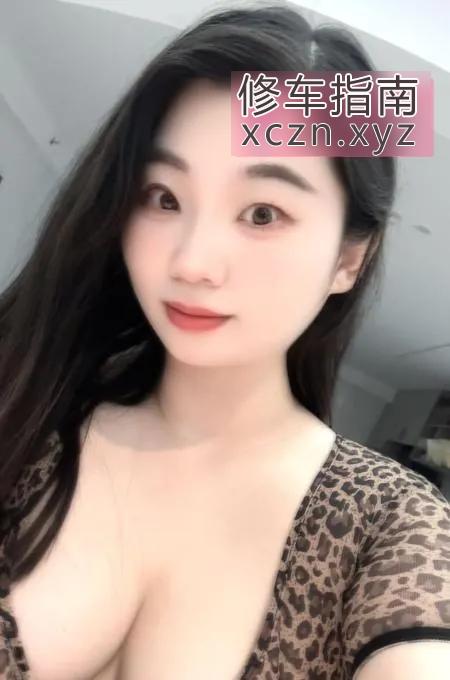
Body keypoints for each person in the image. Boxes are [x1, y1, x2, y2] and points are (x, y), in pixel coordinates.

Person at [0, 2, 449, 679]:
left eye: (262, 212)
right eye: (164, 197)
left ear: (348, 259)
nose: (191, 262)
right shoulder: (26, 414)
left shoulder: (392, 524)